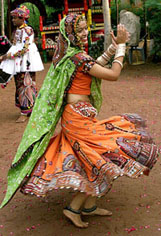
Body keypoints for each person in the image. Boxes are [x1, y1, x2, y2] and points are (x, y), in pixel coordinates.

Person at [0, 14, 159, 228]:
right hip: (78, 119)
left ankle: (89, 206)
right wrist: (121, 47)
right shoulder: (77, 58)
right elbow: (112, 74)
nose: (85, 33)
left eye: (86, 28)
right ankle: (73, 208)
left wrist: (112, 49)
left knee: (93, 158)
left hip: (79, 116)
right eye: (80, 30)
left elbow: (93, 68)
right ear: (70, 34)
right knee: (103, 157)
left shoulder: (73, 56)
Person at [0, 5, 44, 123]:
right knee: (21, 84)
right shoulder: (18, 31)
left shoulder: (28, 30)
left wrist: (5, 57)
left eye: (15, 18)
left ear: (22, 18)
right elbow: (16, 46)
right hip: (19, 62)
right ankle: (27, 109)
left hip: (26, 62)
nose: (13, 20)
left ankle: (25, 112)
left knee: (26, 84)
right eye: (13, 18)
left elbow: (24, 50)